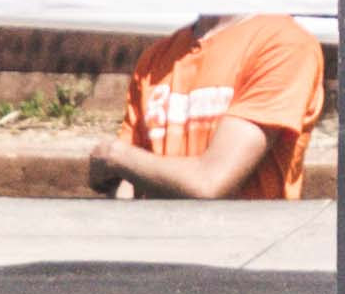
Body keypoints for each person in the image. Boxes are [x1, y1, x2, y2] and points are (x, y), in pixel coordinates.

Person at [90, 11, 329, 200]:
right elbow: (126, 181)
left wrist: (115, 157)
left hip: (248, 243)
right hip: (161, 241)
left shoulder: (284, 44)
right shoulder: (155, 58)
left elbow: (210, 182)